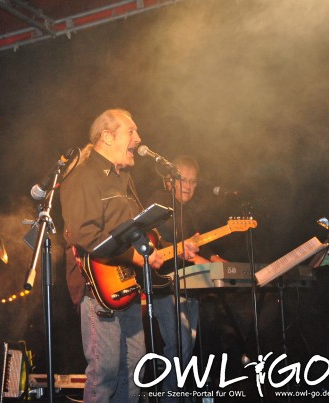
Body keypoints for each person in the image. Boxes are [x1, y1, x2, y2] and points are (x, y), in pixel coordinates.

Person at [60, 109, 198, 402]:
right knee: (105, 371)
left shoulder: (123, 178)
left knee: (135, 370)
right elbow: (85, 233)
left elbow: (138, 232)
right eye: (131, 131)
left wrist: (171, 248)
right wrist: (135, 257)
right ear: (107, 137)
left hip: (128, 288)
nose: (138, 138)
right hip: (97, 288)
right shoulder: (83, 175)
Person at [146, 155, 227, 401]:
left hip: (189, 288)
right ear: (169, 180)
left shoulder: (188, 212)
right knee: (178, 346)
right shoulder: (158, 204)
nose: (189, 186)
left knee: (187, 348)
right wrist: (193, 255)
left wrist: (213, 257)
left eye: (193, 181)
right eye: (183, 180)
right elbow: (158, 241)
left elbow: (195, 242)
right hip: (164, 285)